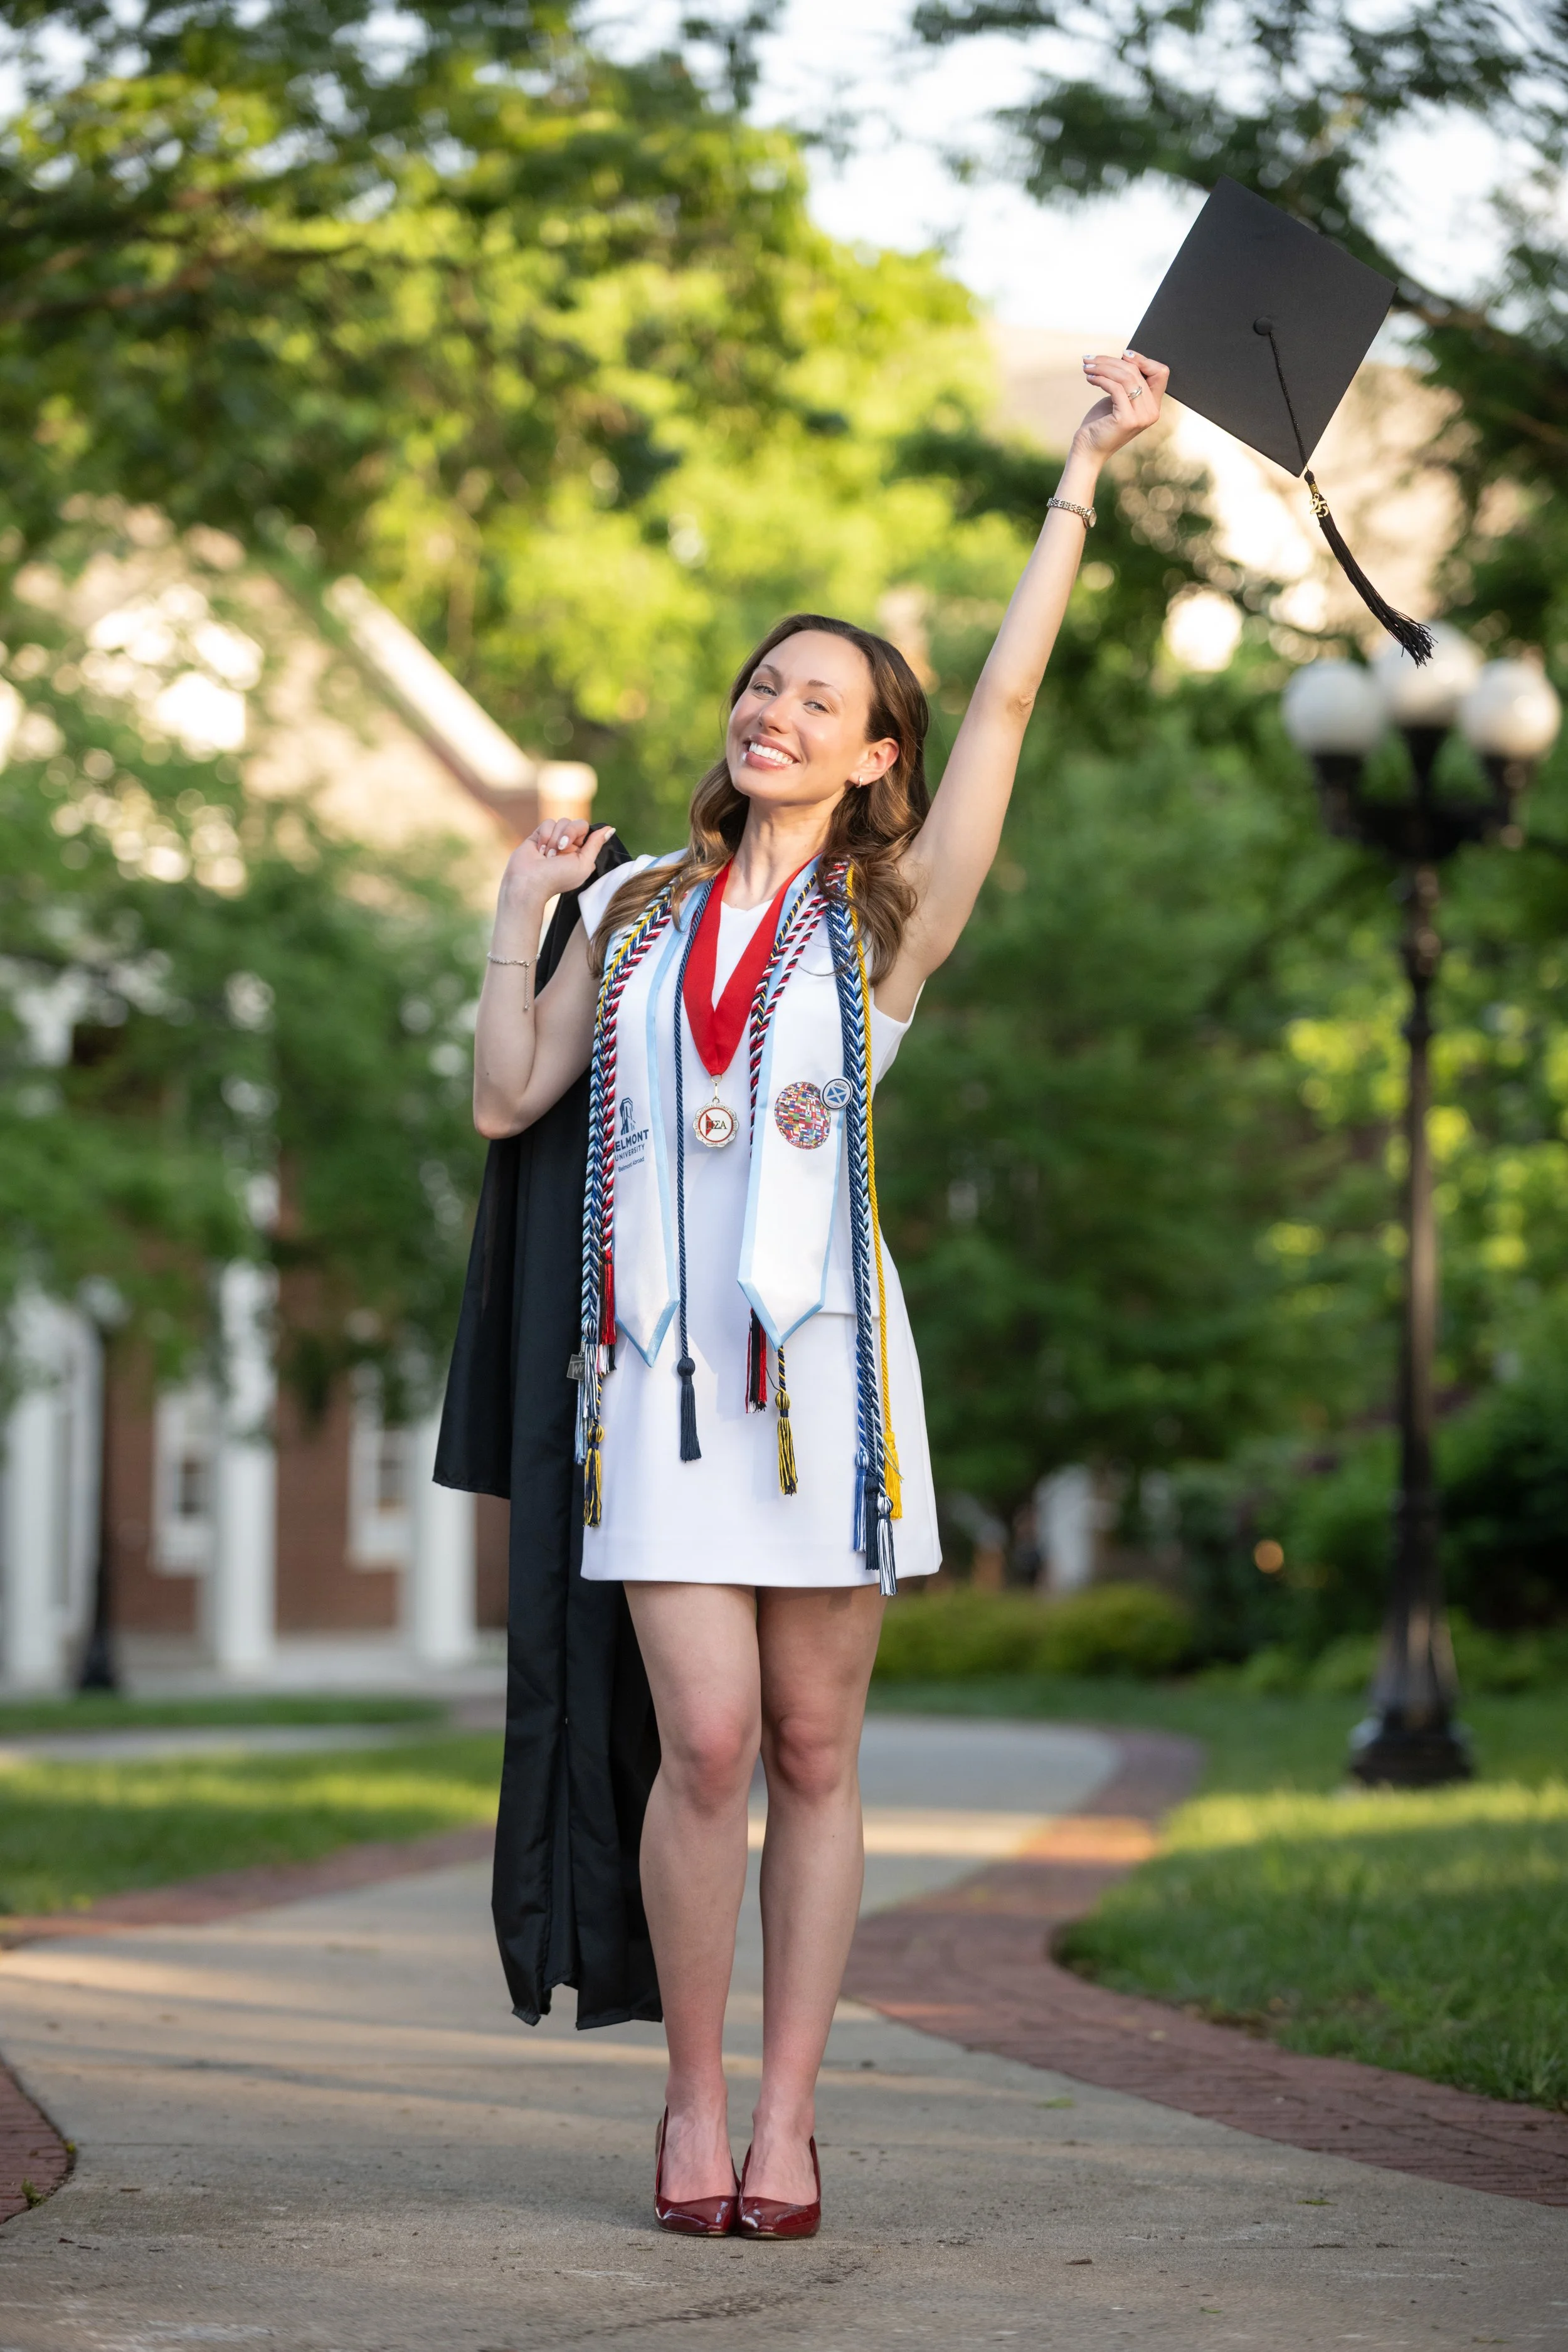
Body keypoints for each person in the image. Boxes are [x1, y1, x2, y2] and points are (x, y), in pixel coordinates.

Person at [471, 348, 1166, 2237]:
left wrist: (1077, 479)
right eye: (761, 679)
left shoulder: (884, 926)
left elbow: (1012, 693)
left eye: (819, 694)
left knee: (810, 1746)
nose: (772, 704)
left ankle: (787, 2124)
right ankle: (687, 2105)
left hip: (825, 1392)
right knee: (701, 1740)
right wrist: (513, 910)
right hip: (653, 1394)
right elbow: (505, 1094)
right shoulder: (627, 914)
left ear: (876, 755)